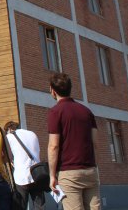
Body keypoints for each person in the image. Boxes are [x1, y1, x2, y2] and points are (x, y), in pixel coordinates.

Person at [47, 72, 100, 210]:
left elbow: (54, 146)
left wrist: (52, 175)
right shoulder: (87, 111)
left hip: (69, 172)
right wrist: (94, 167)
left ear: (52, 90)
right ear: (70, 88)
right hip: (90, 170)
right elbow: (95, 142)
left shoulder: (55, 112)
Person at [4, 121, 45, 210]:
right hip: (37, 174)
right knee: (39, 206)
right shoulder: (32, 133)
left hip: (21, 176)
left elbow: (8, 157)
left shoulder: (9, 137)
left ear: (9, 129)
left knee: (20, 206)